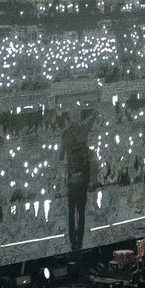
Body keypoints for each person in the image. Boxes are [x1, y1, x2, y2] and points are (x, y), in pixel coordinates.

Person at [60, 110, 94, 261]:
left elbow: (61, 156)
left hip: (72, 181)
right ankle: (78, 243)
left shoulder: (66, 134)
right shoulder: (82, 131)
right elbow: (92, 120)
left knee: (72, 212)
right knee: (80, 213)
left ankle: (73, 242)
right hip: (80, 181)